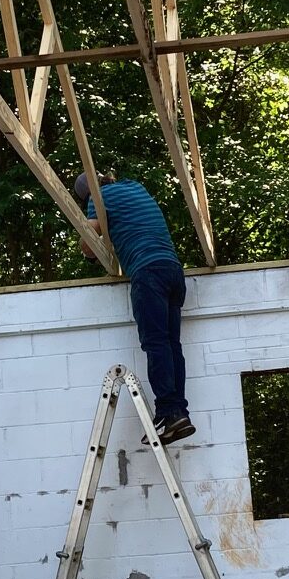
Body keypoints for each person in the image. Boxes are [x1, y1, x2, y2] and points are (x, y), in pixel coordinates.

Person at [75, 171, 194, 445]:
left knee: (155, 344)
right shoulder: (134, 186)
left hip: (147, 271)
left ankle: (168, 410)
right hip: (173, 270)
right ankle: (179, 414)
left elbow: (90, 235)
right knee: (171, 345)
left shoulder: (98, 197)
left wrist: (86, 250)